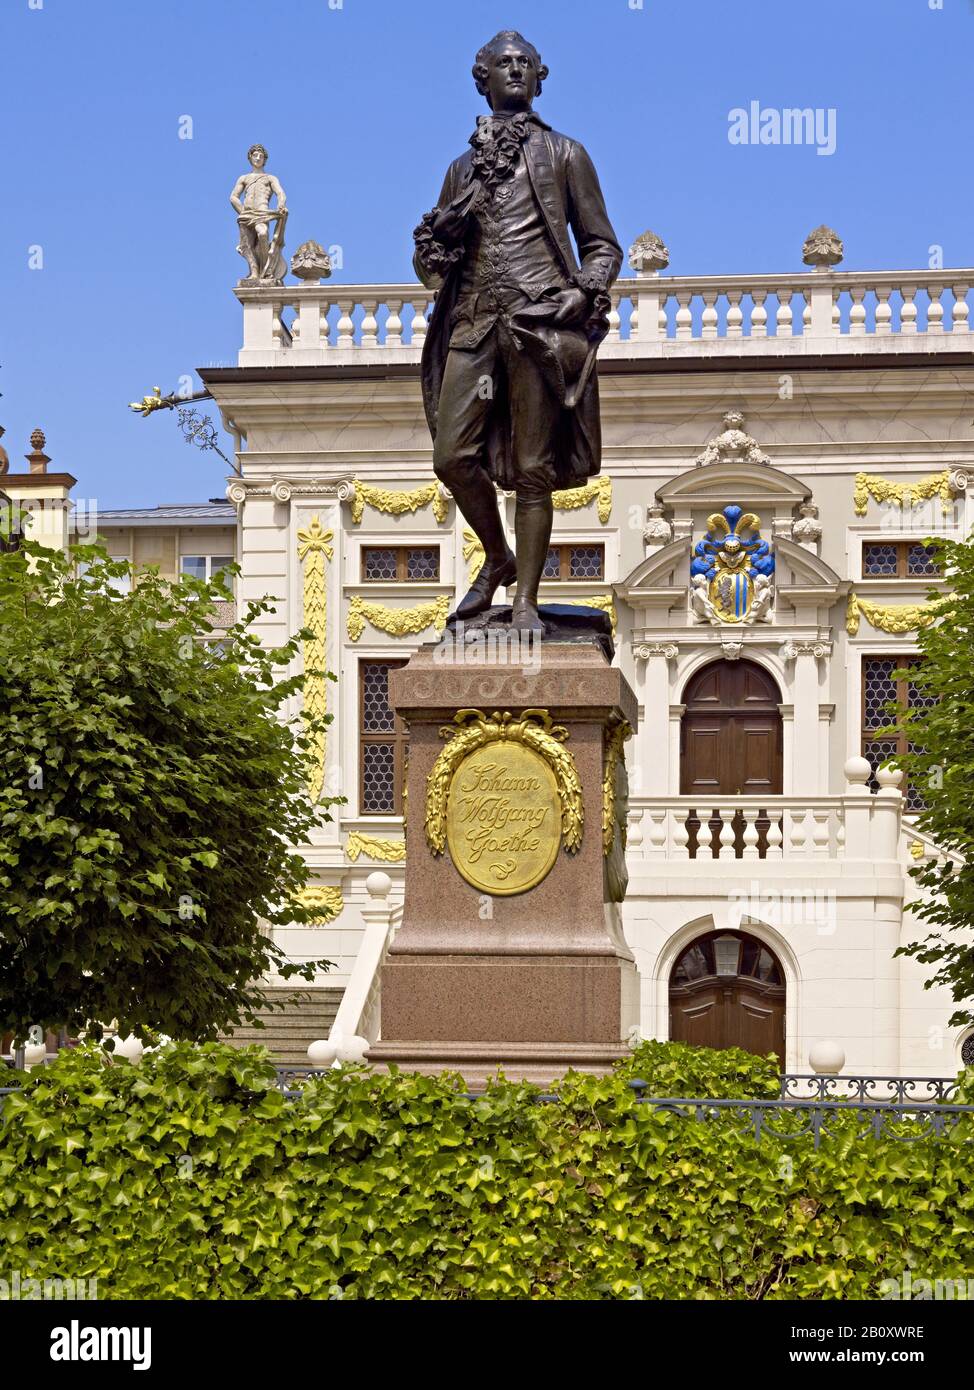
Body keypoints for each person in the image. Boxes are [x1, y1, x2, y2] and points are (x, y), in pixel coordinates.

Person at [413, 31, 622, 631]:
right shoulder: (460, 171)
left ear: (539, 77)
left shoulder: (565, 154)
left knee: (533, 467)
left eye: (524, 64)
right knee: (451, 456)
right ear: (481, 79)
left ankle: (525, 599)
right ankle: (497, 555)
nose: (514, 70)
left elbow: (602, 244)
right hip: (473, 324)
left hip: (535, 325)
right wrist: (433, 245)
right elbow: (432, 267)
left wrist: (582, 291)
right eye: (502, 64)